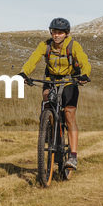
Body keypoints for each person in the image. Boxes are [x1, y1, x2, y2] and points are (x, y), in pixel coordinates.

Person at [18, 17, 92, 170]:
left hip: (69, 81)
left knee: (69, 114)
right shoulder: (45, 45)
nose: (56, 35)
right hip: (51, 78)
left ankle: (73, 156)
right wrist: (23, 73)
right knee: (46, 98)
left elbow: (84, 60)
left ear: (66, 34)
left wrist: (85, 74)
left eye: (60, 33)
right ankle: (47, 127)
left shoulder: (73, 45)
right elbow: (33, 59)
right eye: (54, 32)